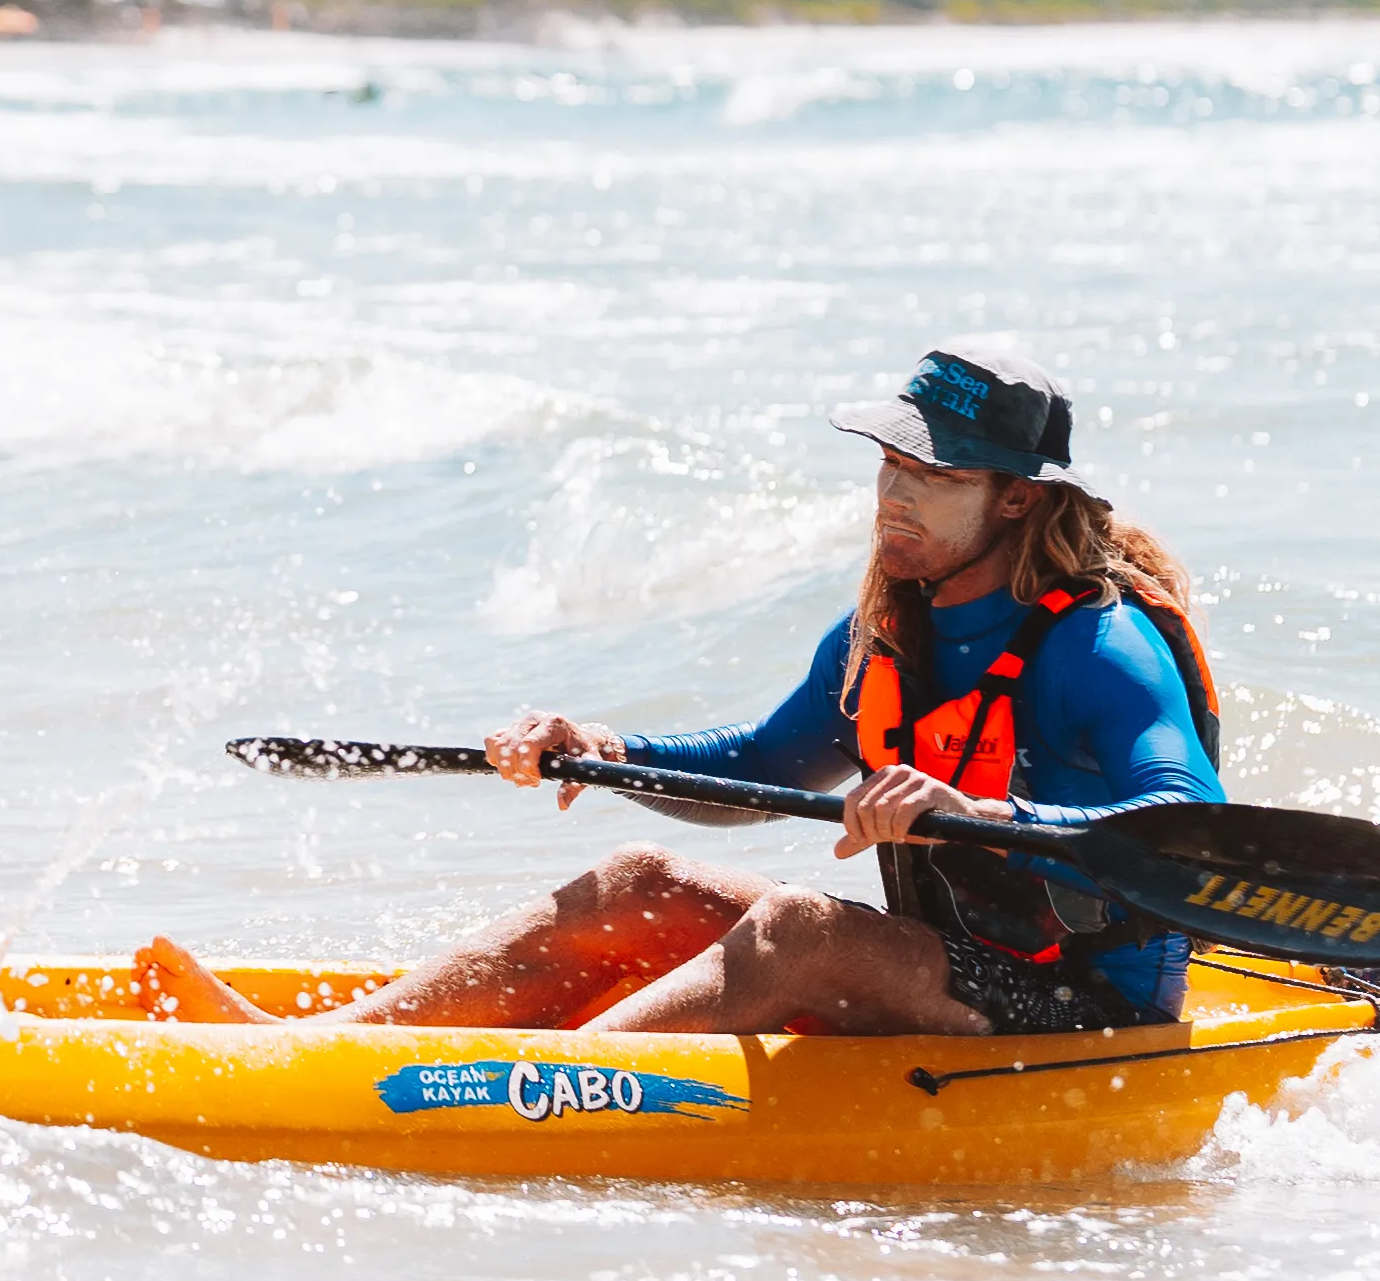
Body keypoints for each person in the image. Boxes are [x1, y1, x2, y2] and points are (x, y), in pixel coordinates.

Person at [138, 346, 1222, 1038]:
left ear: (1019, 502)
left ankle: (539, 1093)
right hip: (954, 970)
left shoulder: (1102, 649)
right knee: (637, 875)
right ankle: (308, 1052)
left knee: (805, 923)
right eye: (889, 466)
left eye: (934, 477)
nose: (894, 496)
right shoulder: (888, 631)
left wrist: (985, 815)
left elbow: (1192, 835)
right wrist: (605, 747)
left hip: (1088, 1014)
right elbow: (759, 768)